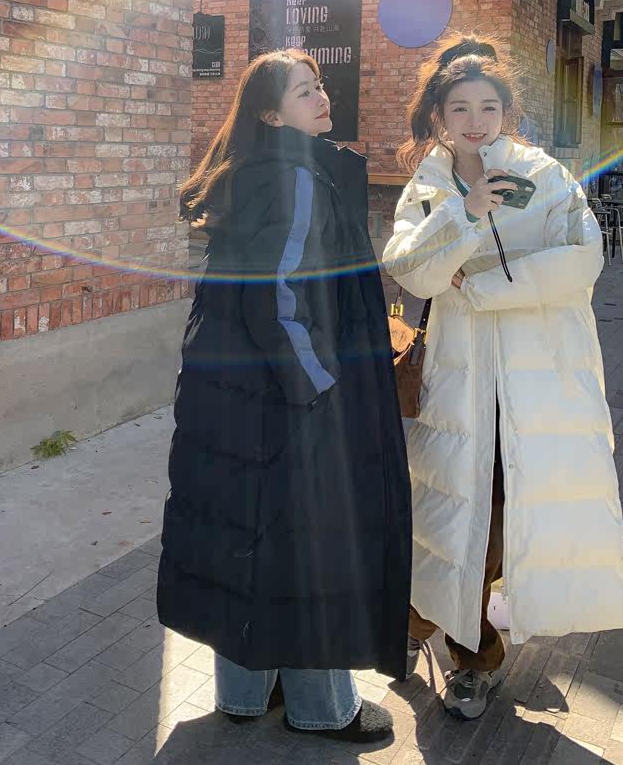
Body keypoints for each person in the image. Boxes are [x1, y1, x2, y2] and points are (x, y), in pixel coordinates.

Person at [157, 49, 412, 743]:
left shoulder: (250, 167)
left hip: (230, 391)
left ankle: (244, 694)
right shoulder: (297, 174)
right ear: (271, 114)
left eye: (319, 85)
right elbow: (278, 296)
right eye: (304, 91)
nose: (321, 97)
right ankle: (322, 708)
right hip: (285, 397)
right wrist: (320, 385)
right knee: (309, 541)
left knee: (243, 532)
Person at [382, 34, 623, 721]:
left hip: (535, 380)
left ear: (506, 113)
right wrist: (464, 213)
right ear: (439, 115)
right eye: (460, 108)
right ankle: (420, 623)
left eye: (487, 107)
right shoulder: (430, 184)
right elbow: (410, 269)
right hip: (457, 380)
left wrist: (485, 287)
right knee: (443, 512)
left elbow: (582, 257)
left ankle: (468, 653)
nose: (475, 121)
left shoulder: (542, 173)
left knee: (499, 518)